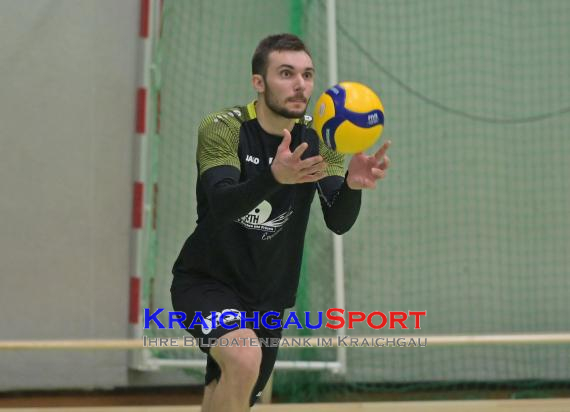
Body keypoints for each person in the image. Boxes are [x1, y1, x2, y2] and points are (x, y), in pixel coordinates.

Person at [170, 33, 391, 412]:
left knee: (229, 392)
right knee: (243, 359)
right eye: (286, 73)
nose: (300, 85)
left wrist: (353, 186)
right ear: (259, 82)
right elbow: (221, 204)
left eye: (307, 74)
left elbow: (338, 220)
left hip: (269, 296)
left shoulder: (322, 137)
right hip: (207, 281)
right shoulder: (224, 127)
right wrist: (274, 177)